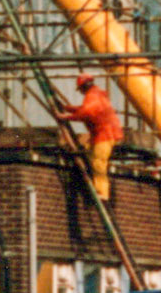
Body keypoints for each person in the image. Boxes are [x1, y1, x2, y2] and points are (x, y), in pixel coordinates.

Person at [53, 72, 123, 204]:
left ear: (83, 86)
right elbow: (86, 109)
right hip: (107, 134)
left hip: (104, 135)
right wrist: (67, 108)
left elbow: (86, 112)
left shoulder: (92, 96)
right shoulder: (97, 95)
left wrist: (65, 116)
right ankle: (99, 188)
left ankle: (102, 193)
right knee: (93, 157)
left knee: (98, 163)